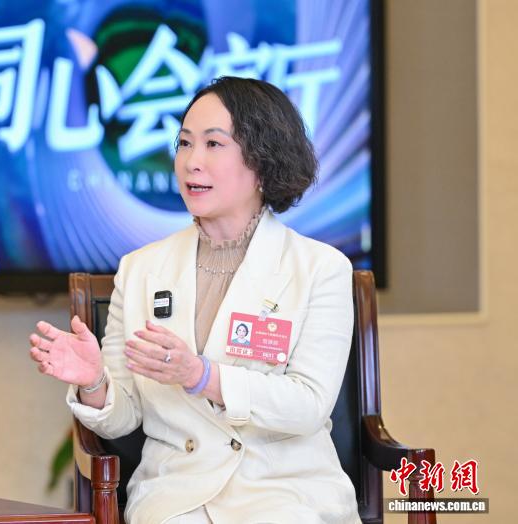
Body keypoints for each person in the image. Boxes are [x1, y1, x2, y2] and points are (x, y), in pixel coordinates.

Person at [29, 76, 360, 524]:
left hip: (283, 493)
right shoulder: (141, 269)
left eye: (213, 144)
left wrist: (202, 376)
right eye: (184, 143)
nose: (191, 162)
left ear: (263, 160)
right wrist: (94, 382)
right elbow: (124, 416)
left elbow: (308, 405)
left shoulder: (321, 268)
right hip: (177, 496)